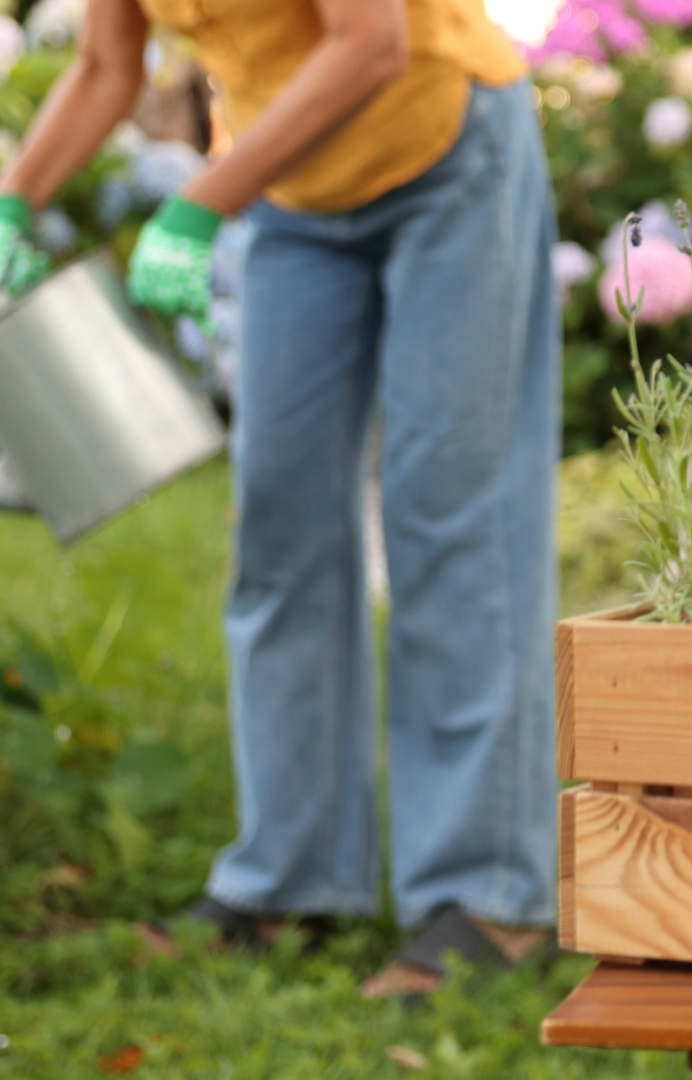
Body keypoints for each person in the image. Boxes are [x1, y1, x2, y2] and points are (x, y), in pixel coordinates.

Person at [0, 0, 560, 996]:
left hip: (441, 149)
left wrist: (200, 201)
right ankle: (291, 879)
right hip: (294, 191)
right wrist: (14, 196)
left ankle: (489, 894)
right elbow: (101, 63)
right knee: (280, 524)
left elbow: (370, 42)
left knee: (453, 516)